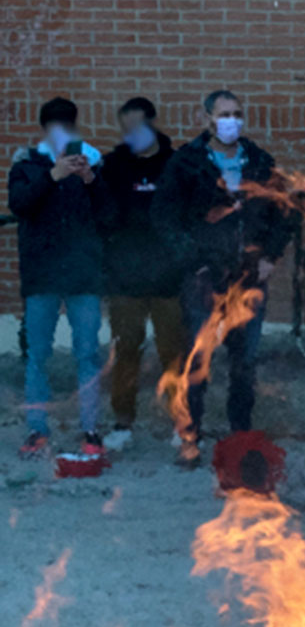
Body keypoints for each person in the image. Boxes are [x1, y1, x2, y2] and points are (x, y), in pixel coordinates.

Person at [152, 90, 293, 466]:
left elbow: (286, 212)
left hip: (248, 281)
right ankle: (189, 437)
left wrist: (271, 257)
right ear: (207, 120)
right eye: (224, 114)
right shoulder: (187, 164)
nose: (232, 120)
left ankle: (240, 437)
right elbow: (165, 219)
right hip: (204, 280)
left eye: (237, 114)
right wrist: (193, 260)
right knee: (197, 361)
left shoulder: (260, 163)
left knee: (244, 364)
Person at [8, 97, 110, 459]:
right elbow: (19, 204)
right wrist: (53, 176)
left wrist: (89, 179)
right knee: (37, 355)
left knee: (88, 355)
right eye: (55, 129)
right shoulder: (27, 165)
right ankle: (38, 432)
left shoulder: (93, 162)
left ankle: (91, 431)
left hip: (84, 275)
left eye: (67, 128)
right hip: (42, 276)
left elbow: (109, 215)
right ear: (44, 131)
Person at [100, 96, 186, 450]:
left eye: (137, 126)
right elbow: (103, 216)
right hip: (125, 280)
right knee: (126, 352)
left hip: (169, 279)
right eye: (126, 128)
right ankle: (122, 423)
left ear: (152, 123)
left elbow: (186, 215)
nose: (130, 134)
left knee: (174, 353)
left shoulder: (176, 164)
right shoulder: (112, 166)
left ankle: (181, 423)